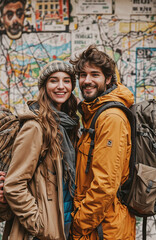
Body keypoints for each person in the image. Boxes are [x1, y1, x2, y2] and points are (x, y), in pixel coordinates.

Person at [0, 60, 79, 240]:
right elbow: (14, 184)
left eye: (66, 81)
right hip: (40, 233)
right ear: (44, 87)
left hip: (64, 224)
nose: (61, 86)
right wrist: (40, 225)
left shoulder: (67, 125)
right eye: (53, 80)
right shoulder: (36, 127)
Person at [70, 45, 136, 239]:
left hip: (104, 229)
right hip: (98, 225)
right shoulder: (93, 113)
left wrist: (77, 227)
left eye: (94, 75)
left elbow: (105, 186)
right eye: (82, 75)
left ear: (108, 79)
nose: (87, 81)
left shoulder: (111, 118)